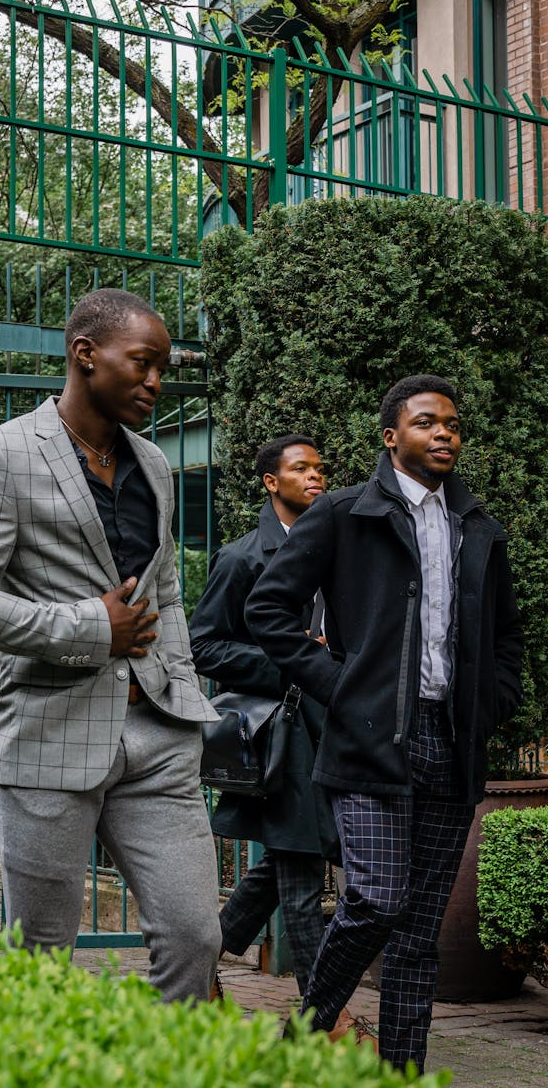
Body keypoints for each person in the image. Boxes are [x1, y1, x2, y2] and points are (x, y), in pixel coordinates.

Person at [0, 288, 221, 1002]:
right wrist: (93, 628)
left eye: (162, 367)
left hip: (158, 735)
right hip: (49, 738)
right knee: (40, 958)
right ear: (86, 355)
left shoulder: (152, 462)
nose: (156, 381)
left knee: (195, 934)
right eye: (144, 363)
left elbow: (165, 591)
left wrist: (182, 689)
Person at [244, 375, 524, 1071]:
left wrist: (492, 701)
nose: (445, 434)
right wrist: (340, 687)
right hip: (367, 738)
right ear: (391, 435)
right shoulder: (344, 513)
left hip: (451, 741)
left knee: (418, 931)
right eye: (428, 422)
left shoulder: (480, 529)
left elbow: (507, 639)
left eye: (454, 425)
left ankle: (401, 1070)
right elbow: (269, 610)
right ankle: (306, 1035)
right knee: (374, 897)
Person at [190, 435, 365, 1038]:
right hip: (280, 733)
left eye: (321, 467)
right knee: (300, 874)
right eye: (301, 469)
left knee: (293, 855)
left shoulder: (338, 551)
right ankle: (326, 1021)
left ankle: (199, 964)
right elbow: (203, 644)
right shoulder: (242, 558)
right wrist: (290, 663)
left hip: (335, 726)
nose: (316, 477)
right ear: (271, 482)